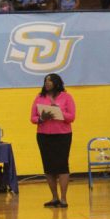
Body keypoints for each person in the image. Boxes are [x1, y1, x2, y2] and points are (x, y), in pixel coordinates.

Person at [31, 74, 75, 208]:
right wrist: (41, 119)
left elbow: (72, 116)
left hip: (62, 135)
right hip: (44, 135)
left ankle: (63, 198)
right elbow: (33, 117)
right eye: (45, 81)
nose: (47, 83)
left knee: (62, 165)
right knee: (48, 167)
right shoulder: (39, 97)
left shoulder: (66, 97)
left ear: (56, 82)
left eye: (50, 81)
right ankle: (54, 197)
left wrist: (58, 112)